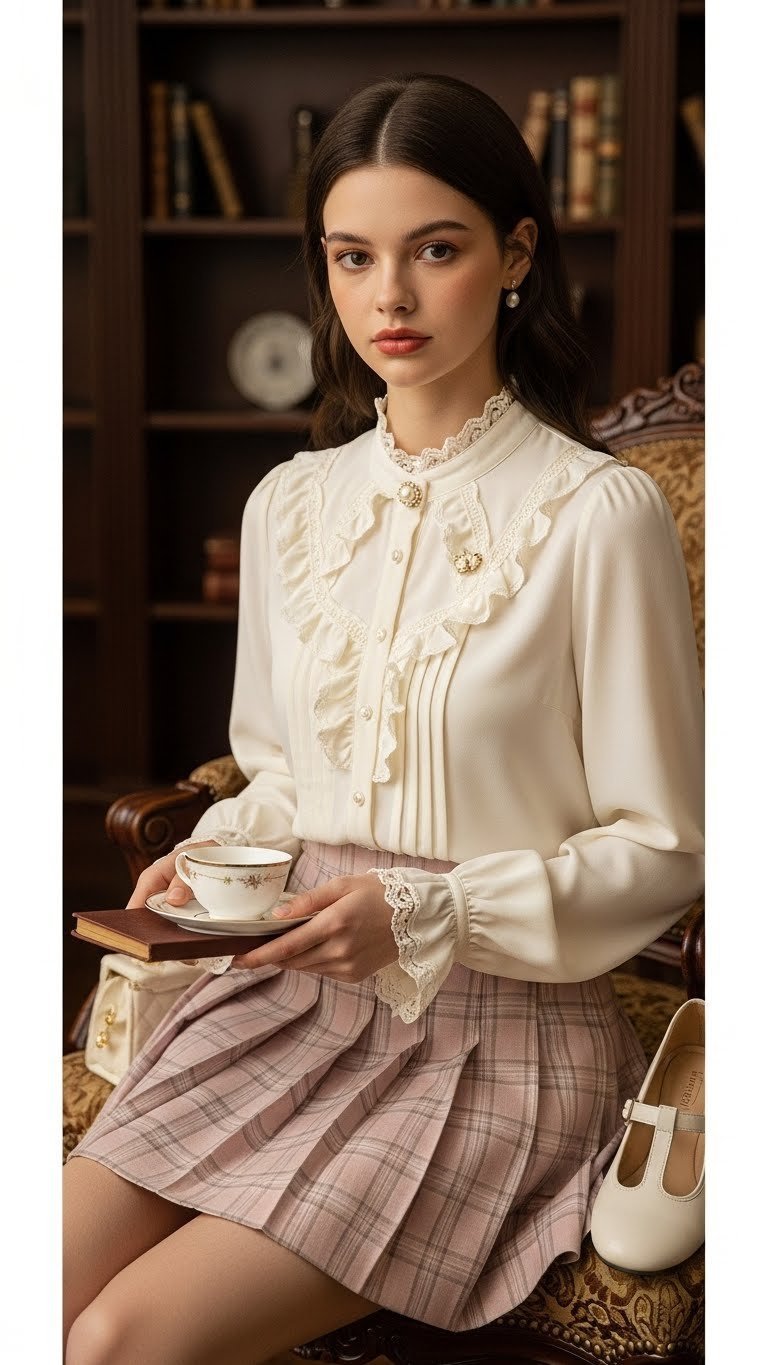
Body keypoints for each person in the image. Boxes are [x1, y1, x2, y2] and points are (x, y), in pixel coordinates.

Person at [63, 73, 704, 1364]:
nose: (389, 300)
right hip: (284, 995)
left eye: (437, 250)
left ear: (517, 254)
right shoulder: (287, 504)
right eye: (353, 256)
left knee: (118, 1340)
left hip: (495, 1039)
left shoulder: (600, 515)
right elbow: (286, 776)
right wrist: (219, 852)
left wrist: (429, 911)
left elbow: (669, 847)